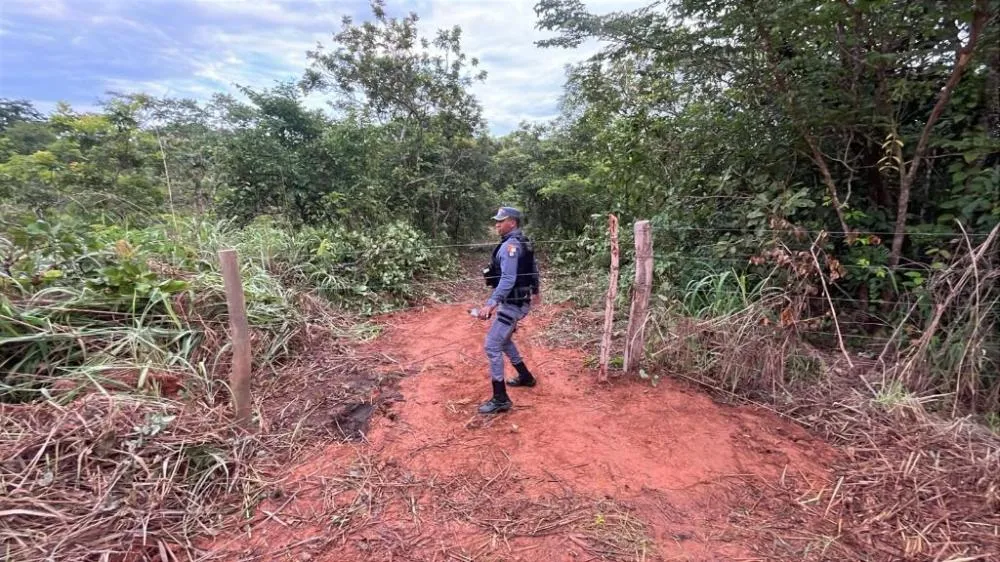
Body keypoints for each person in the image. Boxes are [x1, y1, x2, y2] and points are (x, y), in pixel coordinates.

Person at [476, 206, 540, 414]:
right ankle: (526, 377)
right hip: (518, 300)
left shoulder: (510, 246)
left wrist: (491, 303)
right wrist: (536, 290)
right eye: (496, 220)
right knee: (504, 341)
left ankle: (500, 399)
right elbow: (533, 268)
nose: (497, 224)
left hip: (513, 303)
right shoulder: (523, 241)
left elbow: (508, 278)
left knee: (492, 345)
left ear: (512, 222)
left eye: (500, 220)